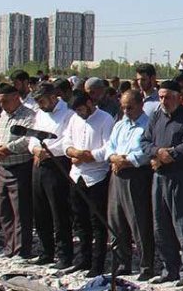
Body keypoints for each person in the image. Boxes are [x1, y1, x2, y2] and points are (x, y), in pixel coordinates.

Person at [142, 81, 183, 284]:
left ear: (178, 96)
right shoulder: (156, 116)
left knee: (182, 225)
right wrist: (157, 152)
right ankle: (169, 269)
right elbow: (145, 141)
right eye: (161, 97)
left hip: (181, 176)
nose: (164, 101)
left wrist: (172, 154)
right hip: (159, 176)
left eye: (167, 97)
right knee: (161, 225)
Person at [94, 90, 156, 280]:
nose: (126, 111)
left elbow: (145, 152)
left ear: (140, 105)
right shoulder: (120, 124)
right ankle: (122, 263)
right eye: (123, 107)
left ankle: (146, 266)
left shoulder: (147, 124)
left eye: (130, 107)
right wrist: (114, 158)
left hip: (136, 175)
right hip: (117, 173)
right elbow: (110, 147)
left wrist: (126, 160)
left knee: (138, 221)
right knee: (116, 221)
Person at [64, 91, 115, 276]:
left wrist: (88, 156)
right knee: (80, 221)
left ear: (89, 103)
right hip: (77, 175)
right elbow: (66, 142)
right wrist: (73, 152)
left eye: (81, 109)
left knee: (97, 224)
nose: (79, 113)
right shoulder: (74, 120)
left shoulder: (105, 119)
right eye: (76, 111)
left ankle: (97, 264)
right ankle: (83, 259)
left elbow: (108, 147)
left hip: (97, 177)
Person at [0, 84, 37, 258]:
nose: (2, 105)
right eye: (0, 102)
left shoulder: (29, 115)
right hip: (3, 167)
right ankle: (9, 247)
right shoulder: (3, 115)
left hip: (20, 167)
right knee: (5, 210)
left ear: (16, 97)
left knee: (21, 212)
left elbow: (28, 139)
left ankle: (22, 250)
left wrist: (8, 148)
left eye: (5, 101)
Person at [28, 83, 75, 268]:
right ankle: (46, 251)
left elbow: (65, 140)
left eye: (42, 101)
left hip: (58, 165)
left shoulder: (68, 114)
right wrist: (36, 148)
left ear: (53, 97)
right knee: (40, 211)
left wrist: (47, 150)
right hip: (40, 163)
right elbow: (32, 136)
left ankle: (64, 255)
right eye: (38, 102)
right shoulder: (40, 114)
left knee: (59, 212)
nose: (40, 105)